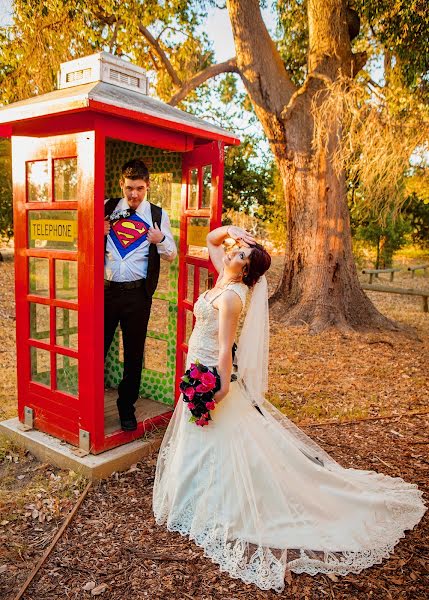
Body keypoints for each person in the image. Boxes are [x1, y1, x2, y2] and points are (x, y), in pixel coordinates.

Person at [153, 225, 426, 593]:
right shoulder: (223, 274)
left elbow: (223, 349)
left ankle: (211, 503)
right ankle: (191, 496)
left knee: (217, 437)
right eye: (236, 252)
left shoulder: (233, 296)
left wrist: (216, 390)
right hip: (194, 371)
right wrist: (236, 232)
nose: (233, 252)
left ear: (246, 272)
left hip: (208, 374)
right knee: (199, 438)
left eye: (241, 256)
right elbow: (214, 239)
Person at [104, 159, 177, 431]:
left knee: (134, 354)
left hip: (138, 295)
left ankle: (126, 408)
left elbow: (171, 255)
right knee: (97, 348)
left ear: (148, 187)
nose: (134, 194)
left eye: (140, 189)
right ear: (122, 184)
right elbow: (82, 243)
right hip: (106, 292)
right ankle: (90, 405)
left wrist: (161, 241)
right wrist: (96, 232)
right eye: (130, 188)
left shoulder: (157, 215)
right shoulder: (107, 208)